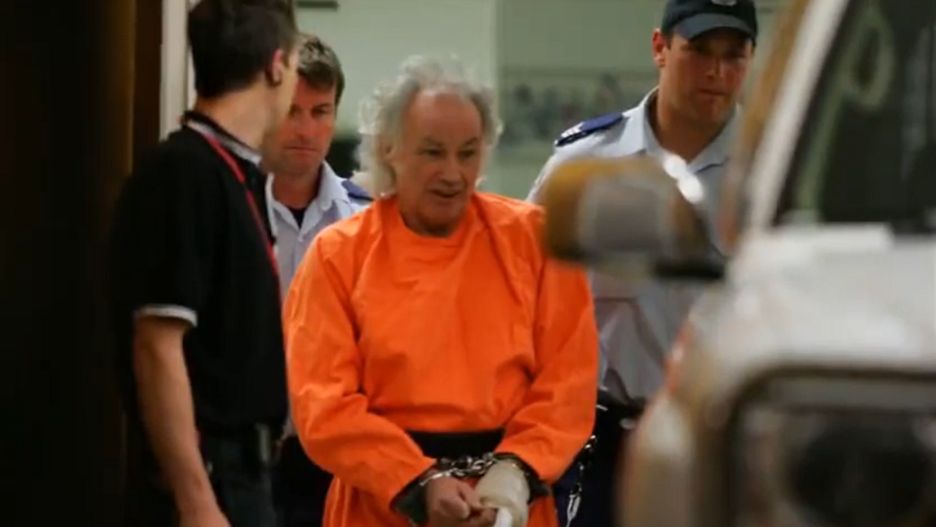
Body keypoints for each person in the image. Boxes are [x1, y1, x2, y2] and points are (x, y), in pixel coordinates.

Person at [283, 56, 599, 527]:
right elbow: (323, 406)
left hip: (509, 506)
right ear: (389, 150)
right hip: (380, 505)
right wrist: (416, 481)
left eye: (467, 153)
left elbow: (569, 385)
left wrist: (515, 473)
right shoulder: (339, 255)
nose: (453, 174)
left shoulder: (534, 240)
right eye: (433, 153)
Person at [527, 0, 758, 525]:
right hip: (602, 444)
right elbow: (523, 289)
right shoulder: (588, 161)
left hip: (724, 450)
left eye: (734, 55)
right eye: (700, 51)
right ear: (660, 47)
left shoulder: (766, 171)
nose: (717, 72)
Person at [108, 1, 299, 525]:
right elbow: (157, 343)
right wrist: (197, 502)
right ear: (276, 65)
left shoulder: (236, 174)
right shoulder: (185, 173)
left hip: (249, 475)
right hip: (214, 478)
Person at [263, 34, 370, 527]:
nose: (306, 129)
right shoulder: (234, 210)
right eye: (293, 111)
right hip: (248, 454)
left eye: (321, 111)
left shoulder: (364, 221)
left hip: (337, 461)